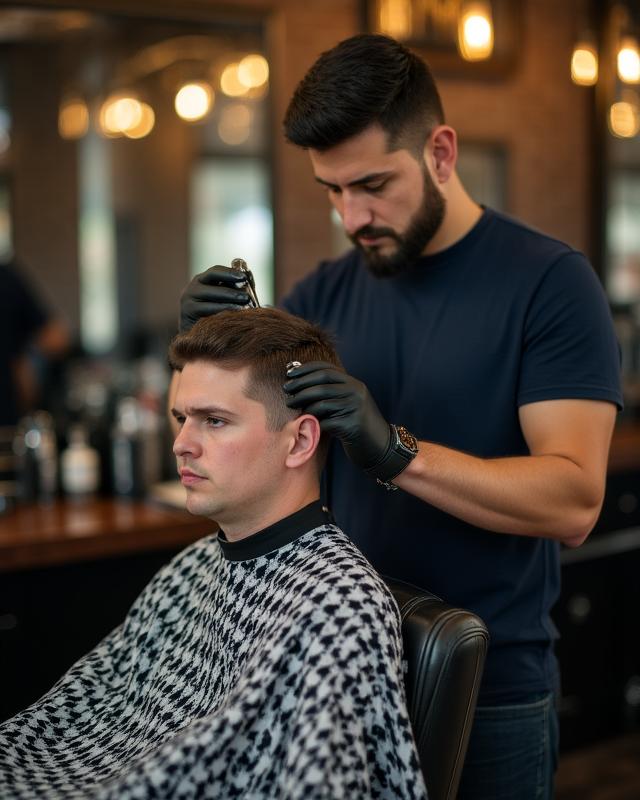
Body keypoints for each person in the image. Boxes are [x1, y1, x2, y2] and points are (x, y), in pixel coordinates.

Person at [178, 33, 623, 799]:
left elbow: (576, 500)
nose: (354, 215)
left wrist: (394, 452)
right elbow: (244, 461)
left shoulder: (549, 284)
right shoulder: (321, 294)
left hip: (492, 690)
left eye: (374, 184)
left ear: (441, 152)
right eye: (333, 190)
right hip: (343, 674)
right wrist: (199, 351)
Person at [0, 307, 427, 800]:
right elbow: (88, 718)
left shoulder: (339, 606)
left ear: (301, 441)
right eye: (182, 418)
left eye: (215, 421)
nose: (181, 444)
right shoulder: (194, 565)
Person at [0, 259, 68, 428]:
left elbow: (56, 338)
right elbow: (56, 338)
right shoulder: (6, 278)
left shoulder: (7, 280)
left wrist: (26, 360)